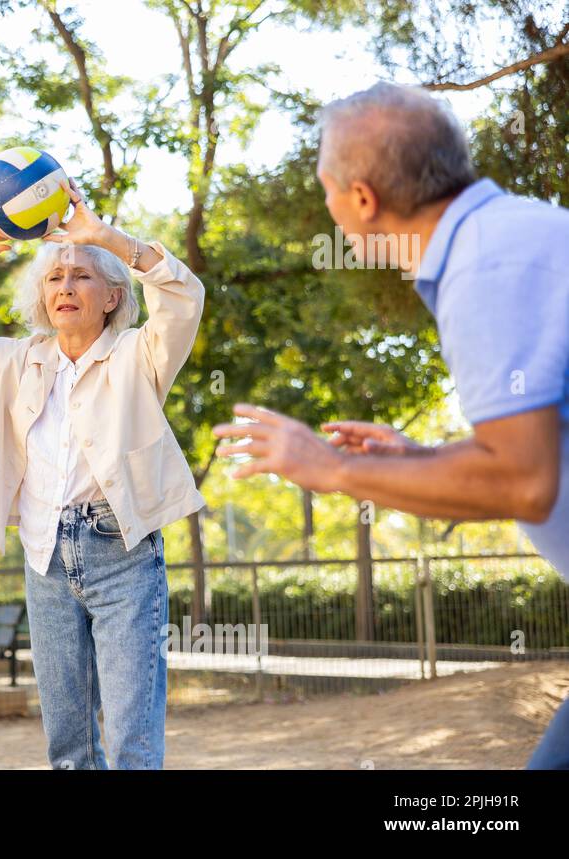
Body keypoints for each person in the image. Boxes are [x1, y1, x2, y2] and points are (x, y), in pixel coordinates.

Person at [210, 82, 569, 769]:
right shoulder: (502, 240)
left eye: (326, 189)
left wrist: (334, 468)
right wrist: (415, 458)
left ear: (363, 199)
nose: (327, 208)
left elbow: (524, 481)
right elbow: (531, 449)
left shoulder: (486, 269)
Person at [0, 181, 206, 769]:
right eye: (55, 278)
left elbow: (183, 294)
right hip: (44, 556)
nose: (66, 286)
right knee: (67, 746)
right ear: (42, 297)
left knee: (130, 742)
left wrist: (106, 239)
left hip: (124, 553)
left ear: (113, 296)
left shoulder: (139, 357)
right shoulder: (13, 362)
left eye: (83, 275)